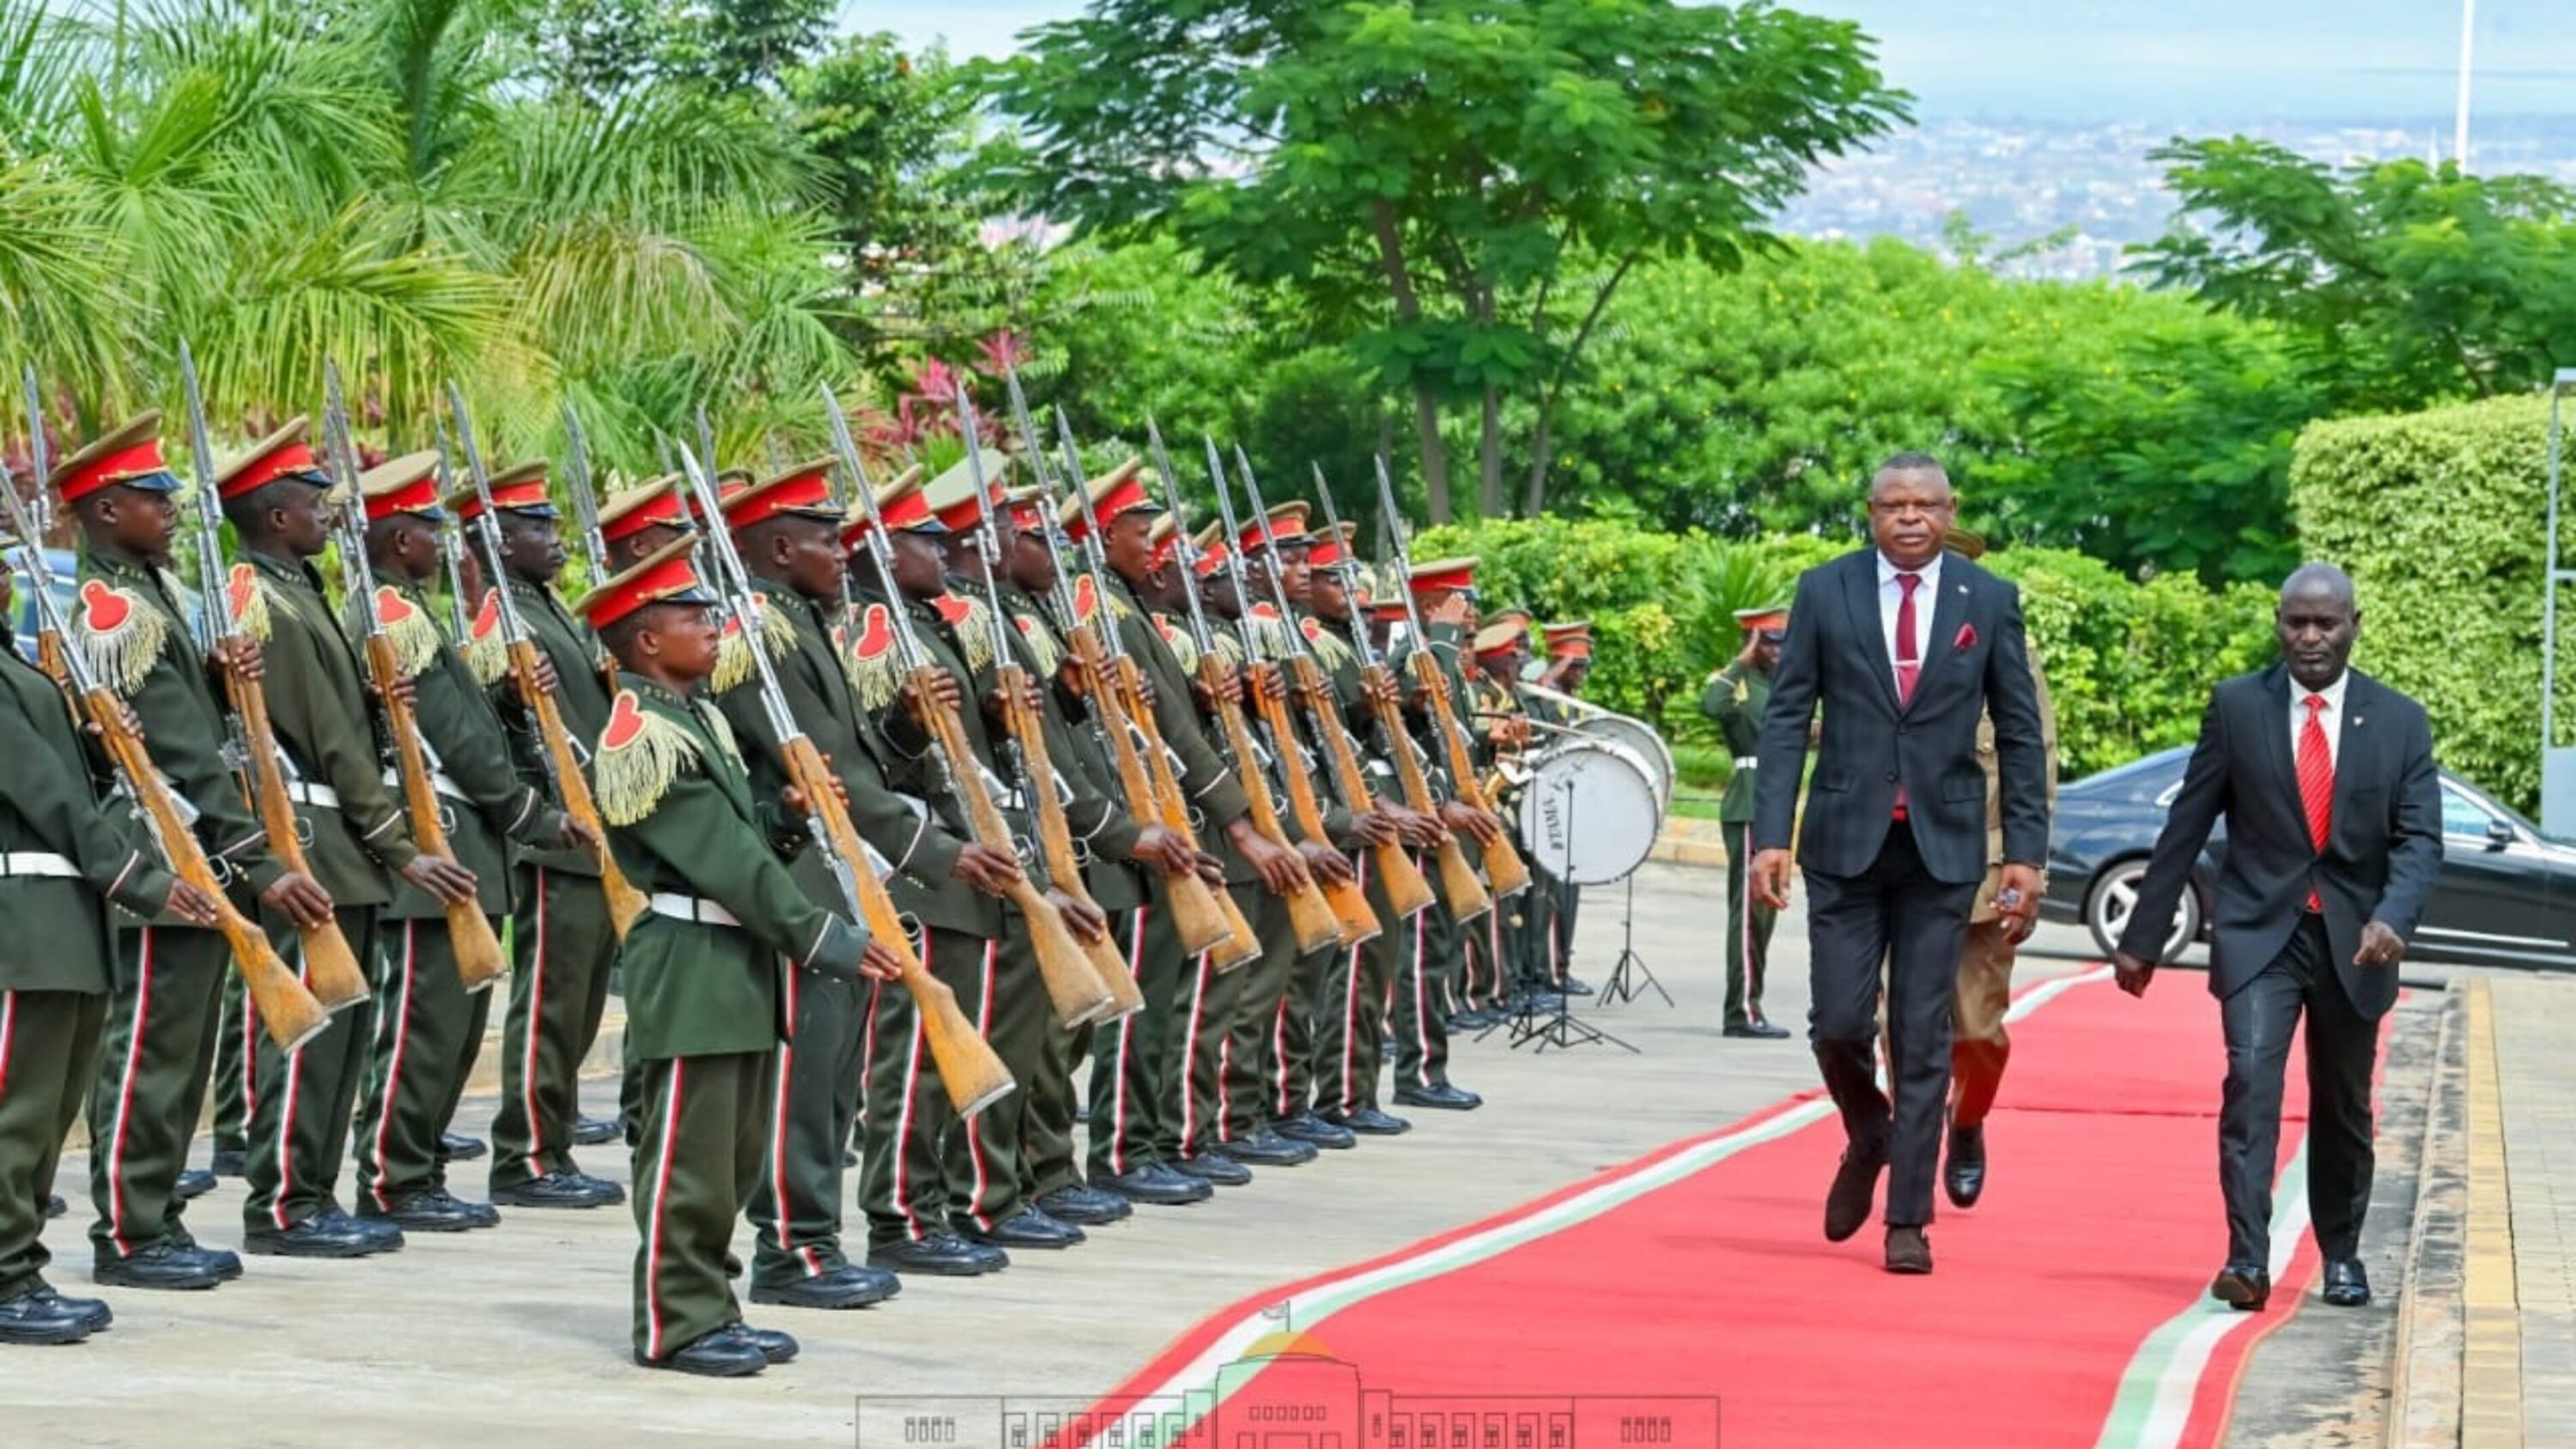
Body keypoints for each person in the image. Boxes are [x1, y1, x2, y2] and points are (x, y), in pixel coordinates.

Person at [586, 538, 897, 1376]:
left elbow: (752, 839)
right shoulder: (640, 732)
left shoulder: (700, 719)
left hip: (733, 958)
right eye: (693, 615)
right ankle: (674, 1322)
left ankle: (714, 1304)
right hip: (691, 960)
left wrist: (789, 814)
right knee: (689, 1156)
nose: (714, 625)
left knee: (729, 1155)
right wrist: (829, 936)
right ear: (647, 638)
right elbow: (728, 861)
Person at [2112, 563, 2439, 1313]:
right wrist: (2143, 936)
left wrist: (2394, 916)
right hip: (2261, 934)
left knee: (2343, 1106)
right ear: (2278, 623)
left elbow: (2419, 839)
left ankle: (2343, 1254)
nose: (2311, 637)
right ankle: (2247, 1260)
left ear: (2356, 625)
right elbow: (2187, 822)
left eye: (2327, 623)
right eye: (2298, 622)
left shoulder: (2399, 722)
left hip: (2356, 945)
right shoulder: (2237, 708)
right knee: (2251, 1087)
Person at [1750, 452, 2046, 1276]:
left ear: (1951, 513)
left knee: (1923, 1035)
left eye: (1927, 504)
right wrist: (1770, 834)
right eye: (1894, 504)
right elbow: (1785, 721)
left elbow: (2020, 732)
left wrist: (2024, 853)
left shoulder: (1987, 600)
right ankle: (1868, 1130)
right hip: (1845, 843)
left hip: (1944, 851)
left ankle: (1908, 1220)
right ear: (1870, 513)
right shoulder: (1825, 590)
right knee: (1839, 1026)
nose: (1910, 517)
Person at [56, 414, 325, 1291]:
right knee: (152, 1046)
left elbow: (192, 720)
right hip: (162, 844)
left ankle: (154, 1213)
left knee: (180, 1046)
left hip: (189, 846)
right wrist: (257, 857)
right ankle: (132, 1228)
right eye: (151, 495)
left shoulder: (151, 589)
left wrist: (220, 678)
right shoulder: (118, 606)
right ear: (103, 510)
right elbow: (178, 753)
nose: (170, 509)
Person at [223, 419, 480, 1259]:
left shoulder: (302, 593)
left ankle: (315, 1191)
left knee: (339, 1030)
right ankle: (285, 1203)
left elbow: (345, 719)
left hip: (339, 836)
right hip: (315, 833)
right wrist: (397, 840)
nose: (328, 516)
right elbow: (325, 736)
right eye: (310, 502)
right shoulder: (266, 597)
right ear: (273, 517)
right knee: (309, 1037)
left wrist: (378, 701)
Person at [0, 537, 222, 1344]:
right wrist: (141, 879)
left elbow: (70, 778)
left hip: (62, 915)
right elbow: (44, 794)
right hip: (22, 914)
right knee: (15, 1111)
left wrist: (98, 739)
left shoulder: (19, 671)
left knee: (49, 1111)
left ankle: (17, 1266)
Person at [471, 462, 627, 1210]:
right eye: (536, 526)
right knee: (549, 1003)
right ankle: (526, 1153)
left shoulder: (547, 607)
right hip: (550, 837)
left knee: (583, 1001)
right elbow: (491, 726)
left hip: (589, 832)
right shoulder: (497, 617)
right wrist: (505, 690)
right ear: (497, 539)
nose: (555, 537)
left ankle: (554, 1134)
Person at [1934, 527, 2059, 1211]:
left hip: (1982, 869)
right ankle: (1909, 1138)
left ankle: (1968, 1119)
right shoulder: (1882, 644)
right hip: (1900, 862)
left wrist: (2026, 861)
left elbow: (2032, 753)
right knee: (1896, 1024)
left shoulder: (2006, 643)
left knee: (1978, 1033)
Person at [1702, 604, 1792, 1040]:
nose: (1779, 650)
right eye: (1770, 641)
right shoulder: (1738, 683)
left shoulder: (1780, 686)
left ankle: (1751, 1004)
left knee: (1766, 914)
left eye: (1782, 641)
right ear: (1753, 641)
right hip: (1749, 804)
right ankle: (1739, 1011)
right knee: (1747, 915)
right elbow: (1710, 703)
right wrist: (1743, 657)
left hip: (1776, 803)